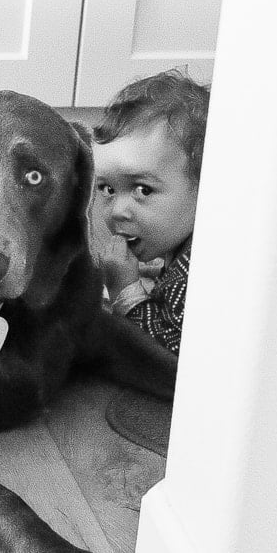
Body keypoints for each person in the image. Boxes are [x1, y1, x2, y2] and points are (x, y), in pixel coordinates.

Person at [88, 68, 207, 357]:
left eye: (142, 190)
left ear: (205, 187)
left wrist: (126, 290)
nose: (116, 211)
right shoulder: (181, 242)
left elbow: (169, 353)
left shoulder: (193, 274)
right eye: (107, 188)